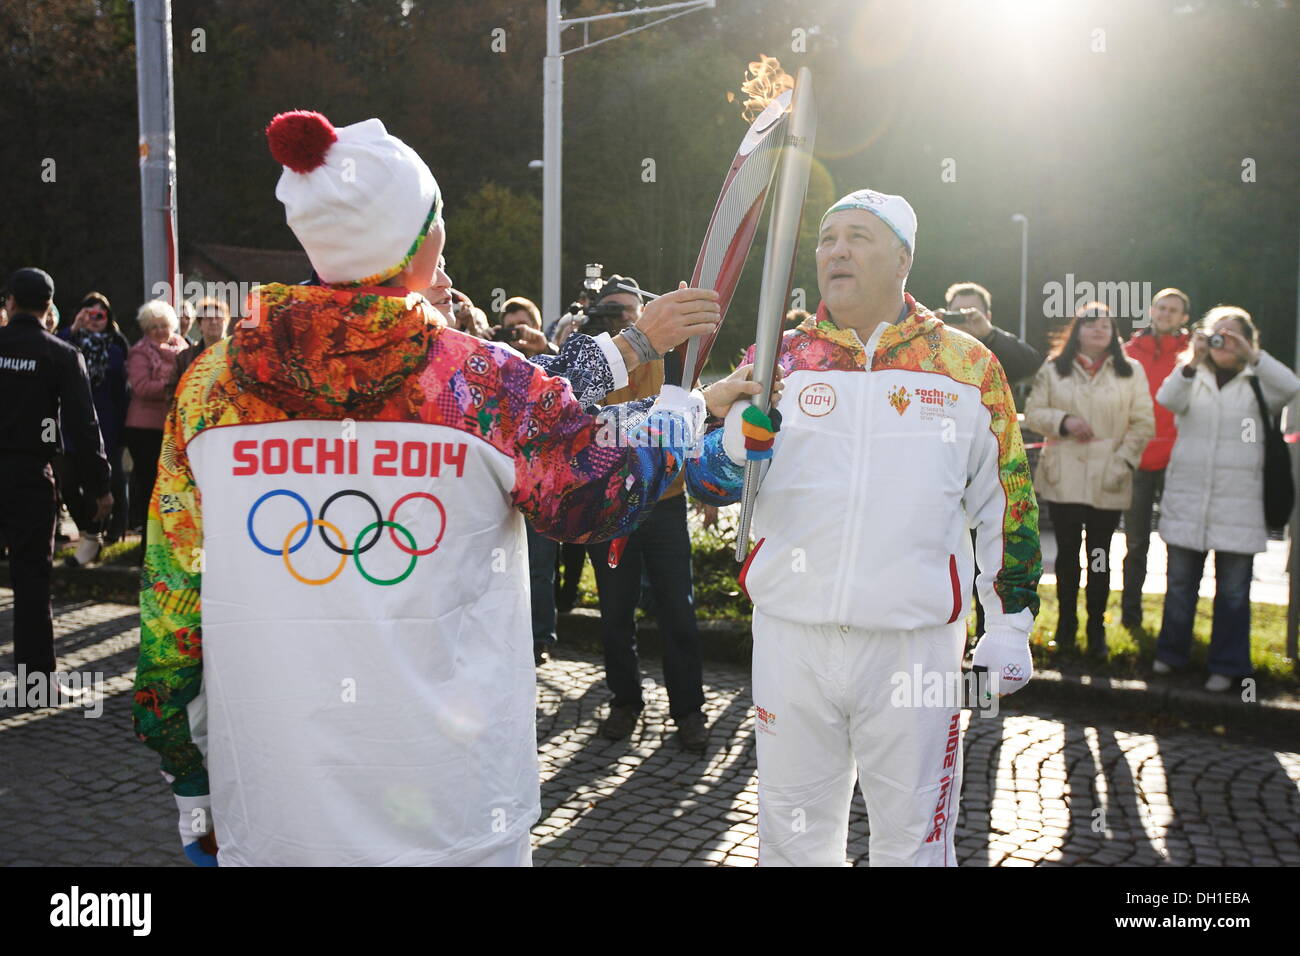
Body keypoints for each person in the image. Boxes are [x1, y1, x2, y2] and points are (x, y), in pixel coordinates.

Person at [131, 110, 739, 867]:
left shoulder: (209, 392)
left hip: (271, 813)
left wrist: (190, 782)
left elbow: (170, 611)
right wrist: (688, 416)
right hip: (456, 819)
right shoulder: (477, 383)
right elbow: (592, 489)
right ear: (423, 244)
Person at [687, 189, 1042, 866]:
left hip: (914, 646)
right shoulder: (779, 359)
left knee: (913, 841)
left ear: (903, 257)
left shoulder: (967, 367)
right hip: (793, 636)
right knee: (791, 840)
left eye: (858, 236)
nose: (837, 250)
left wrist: (1010, 624)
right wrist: (731, 448)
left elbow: (1009, 504)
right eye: (826, 239)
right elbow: (706, 482)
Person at [578, 276, 711, 751]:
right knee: (614, 612)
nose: (623, 319)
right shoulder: (590, 355)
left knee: (679, 612)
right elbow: (583, 427)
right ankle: (624, 702)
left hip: (665, 502)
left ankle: (689, 711)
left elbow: (691, 409)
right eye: (611, 312)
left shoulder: (673, 348)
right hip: (609, 505)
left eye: (630, 310)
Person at [1152, 306, 1300, 691]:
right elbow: (1167, 399)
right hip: (1188, 501)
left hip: (1240, 504)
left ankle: (1228, 664)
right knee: (1180, 586)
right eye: (1217, 333)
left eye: (1233, 335)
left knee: (1233, 593)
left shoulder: (1259, 381)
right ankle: (1170, 655)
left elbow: (1291, 388)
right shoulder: (1191, 376)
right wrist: (1193, 358)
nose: (1224, 341)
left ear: (1249, 341)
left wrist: (1252, 356)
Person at [0, 268, 111, 695]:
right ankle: (36, 681)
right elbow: (85, 428)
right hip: (29, 476)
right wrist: (100, 487)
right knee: (31, 579)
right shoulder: (61, 355)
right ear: (48, 308)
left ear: (9, 303)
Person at [1024, 302, 1154, 656]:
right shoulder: (1054, 369)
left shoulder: (1131, 371)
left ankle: (1096, 630)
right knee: (1067, 555)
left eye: (1105, 325)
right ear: (1076, 330)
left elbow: (1144, 423)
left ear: (1114, 332)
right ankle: (1066, 627)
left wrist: (1124, 463)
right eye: (1090, 324)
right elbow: (1033, 412)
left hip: (1109, 478)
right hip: (1064, 475)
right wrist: (1063, 421)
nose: (1098, 330)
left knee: (1099, 554)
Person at [1120, 288, 1191, 628]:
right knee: (1135, 543)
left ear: (1184, 318)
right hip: (1137, 462)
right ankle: (1130, 618)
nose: (1165, 314)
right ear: (1152, 310)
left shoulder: (1194, 355)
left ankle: (1175, 624)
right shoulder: (1128, 353)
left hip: (1180, 463)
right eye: (1161, 308)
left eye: (1173, 310)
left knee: (1179, 544)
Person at [57, 292, 131, 563]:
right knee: (66, 479)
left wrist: (124, 428)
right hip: (67, 424)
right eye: (90, 314)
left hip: (105, 424)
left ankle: (101, 535)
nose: (95, 320)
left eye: (101, 315)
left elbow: (122, 392)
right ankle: (90, 531)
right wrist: (74, 328)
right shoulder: (68, 343)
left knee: (101, 481)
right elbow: (53, 349)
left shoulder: (115, 347)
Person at [123, 300, 188, 537]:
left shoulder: (183, 347)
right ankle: (148, 542)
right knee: (150, 486)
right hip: (144, 429)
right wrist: (174, 385)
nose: (160, 331)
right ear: (146, 329)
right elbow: (142, 388)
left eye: (164, 325)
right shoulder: (139, 352)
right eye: (154, 327)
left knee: (174, 485)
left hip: (173, 427)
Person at [941, 281, 1043, 384]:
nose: (964, 318)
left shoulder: (997, 346)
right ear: (946, 314)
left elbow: (1034, 366)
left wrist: (990, 335)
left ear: (987, 317)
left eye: (971, 313)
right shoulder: (935, 346)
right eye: (956, 313)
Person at [173, 296, 232, 388]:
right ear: (199, 325)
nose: (213, 322)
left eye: (218, 317)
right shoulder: (185, 357)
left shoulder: (235, 355)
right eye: (208, 318)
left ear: (226, 322)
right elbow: (172, 389)